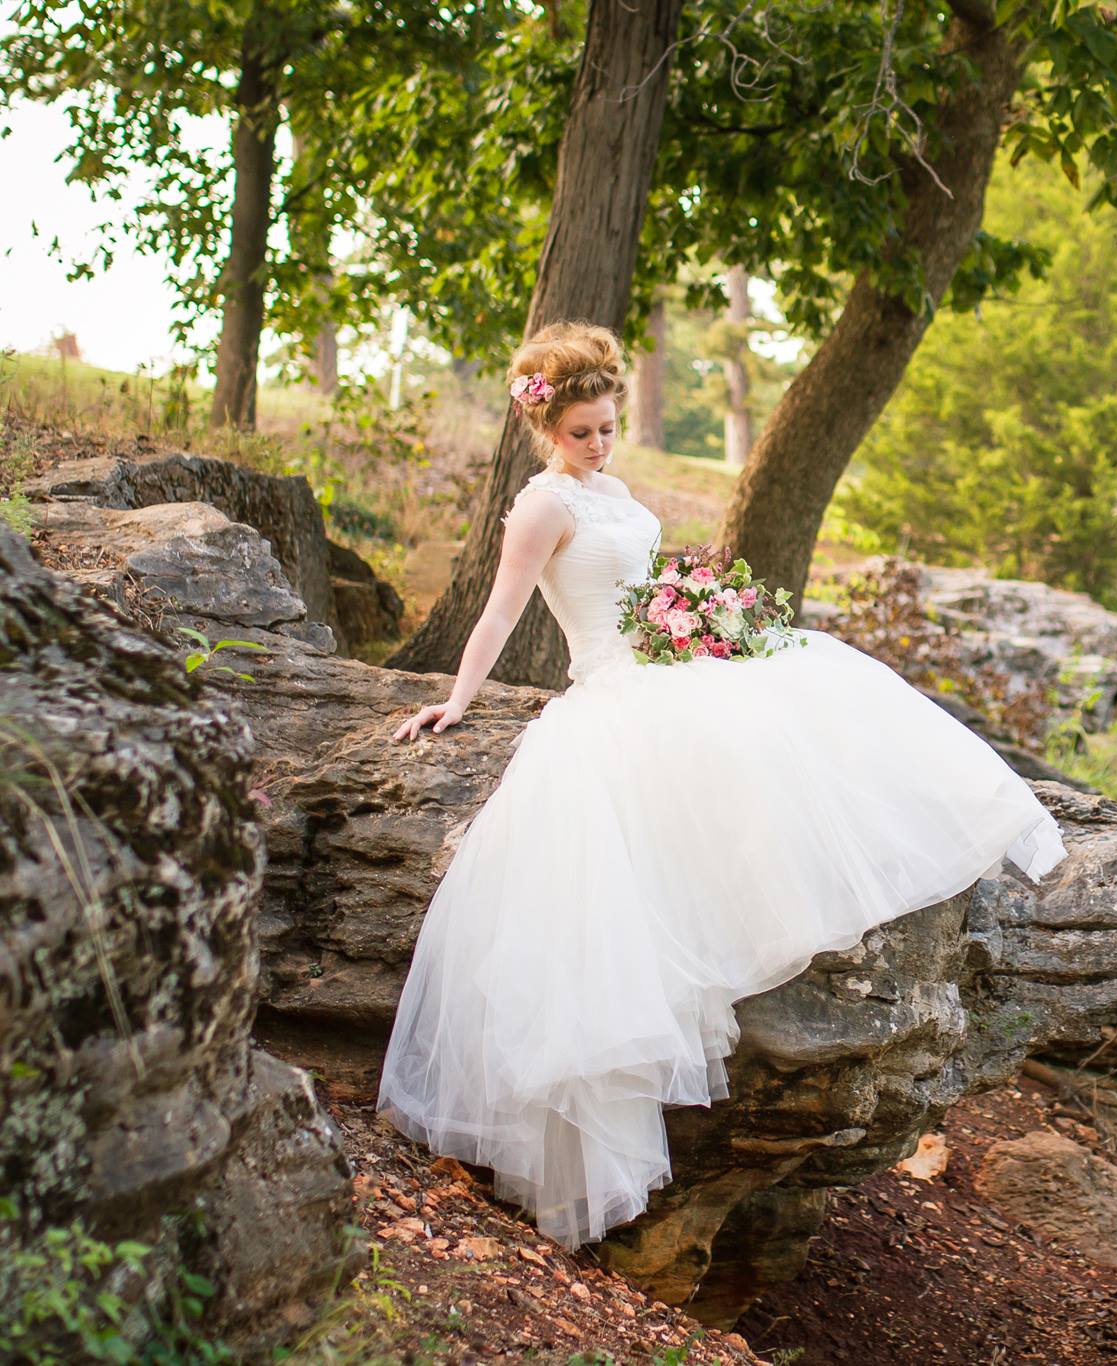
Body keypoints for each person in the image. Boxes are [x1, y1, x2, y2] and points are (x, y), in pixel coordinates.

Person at [376, 320, 1067, 1248]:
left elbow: (643, 585)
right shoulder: (541, 506)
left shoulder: (613, 491)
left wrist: (698, 619)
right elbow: (503, 609)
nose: (599, 445)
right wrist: (458, 702)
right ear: (547, 428)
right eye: (582, 432)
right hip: (611, 689)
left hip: (664, 666)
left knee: (811, 684)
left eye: (608, 428)